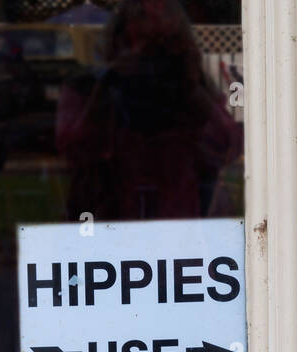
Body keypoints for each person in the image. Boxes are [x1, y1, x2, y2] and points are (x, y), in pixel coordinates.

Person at [56, 0, 242, 221]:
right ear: (118, 45)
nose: (147, 62)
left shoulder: (189, 91)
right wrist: (108, 85)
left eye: (159, 48)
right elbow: (73, 147)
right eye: (136, 44)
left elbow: (228, 146)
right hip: (110, 220)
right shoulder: (91, 88)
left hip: (178, 219)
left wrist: (189, 87)